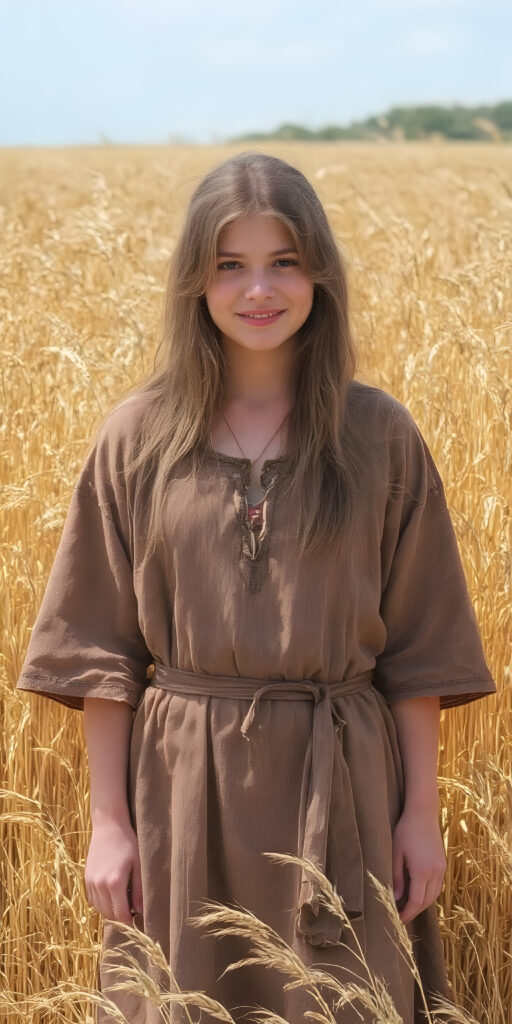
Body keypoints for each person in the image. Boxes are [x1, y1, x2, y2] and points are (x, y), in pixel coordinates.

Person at [16, 152, 496, 1024]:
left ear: (319, 271)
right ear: (195, 281)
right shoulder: (136, 438)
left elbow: (422, 652)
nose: (258, 290)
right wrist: (110, 824)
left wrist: (420, 816)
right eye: (230, 265)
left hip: (342, 790)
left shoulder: (379, 435)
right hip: (184, 797)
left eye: (282, 261)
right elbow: (100, 654)